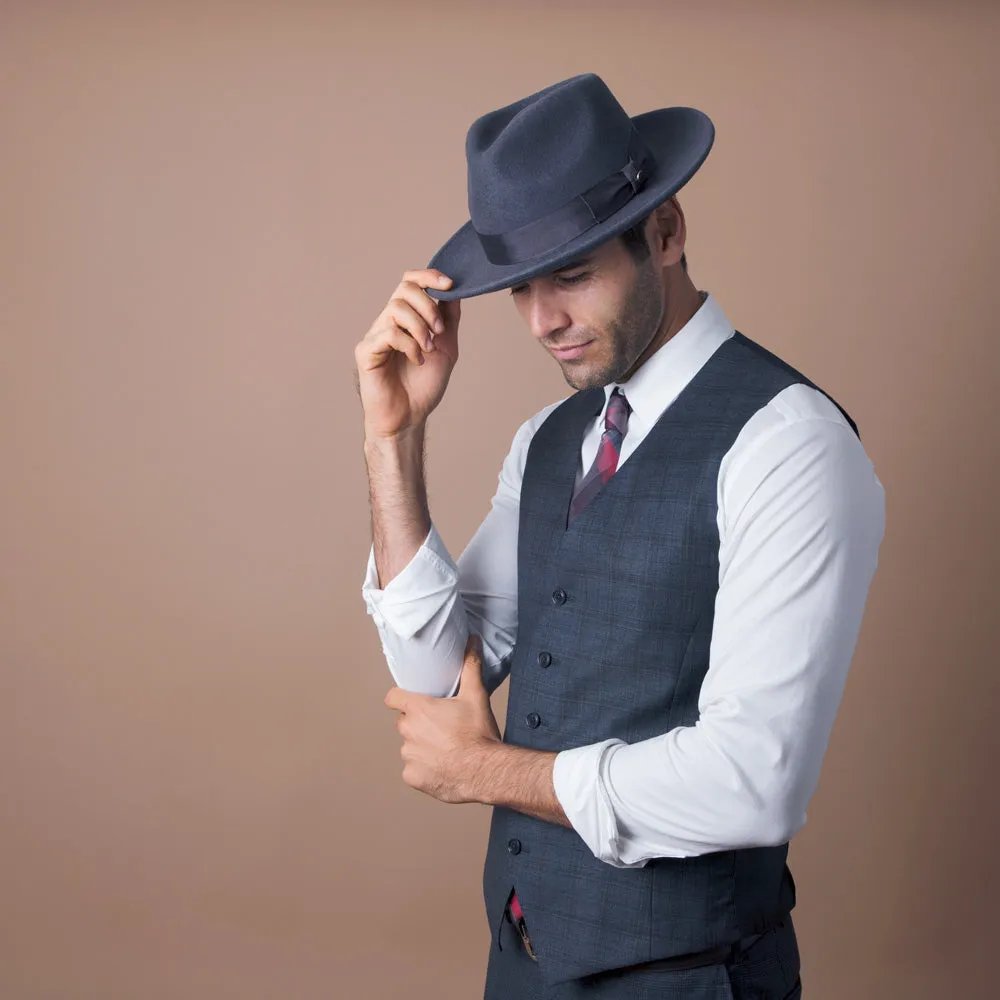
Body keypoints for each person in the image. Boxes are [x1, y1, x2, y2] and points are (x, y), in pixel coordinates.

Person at [355, 73, 885, 999]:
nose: (542, 322)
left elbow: (753, 781)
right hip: (521, 964)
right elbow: (439, 675)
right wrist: (394, 438)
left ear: (667, 233)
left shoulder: (787, 441)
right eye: (521, 287)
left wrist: (489, 770)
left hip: (688, 979)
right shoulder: (550, 440)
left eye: (572, 274)